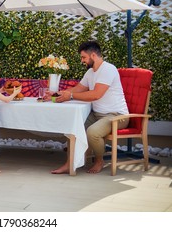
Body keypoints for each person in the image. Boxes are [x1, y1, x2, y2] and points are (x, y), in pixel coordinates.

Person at [49, 40, 129, 174]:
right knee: (73, 128)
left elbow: (96, 94)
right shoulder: (90, 72)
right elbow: (79, 88)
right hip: (97, 114)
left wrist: (71, 97)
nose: (82, 61)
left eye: (83, 57)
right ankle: (70, 163)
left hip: (116, 115)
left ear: (93, 55)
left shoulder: (108, 69)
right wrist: (57, 93)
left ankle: (99, 161)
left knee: (92, 132)